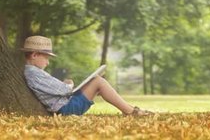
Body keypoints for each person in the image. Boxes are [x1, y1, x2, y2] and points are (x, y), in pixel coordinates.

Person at [21, 35, 152, 116]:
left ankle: (130, 110)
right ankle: (130, 112)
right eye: (46, 58)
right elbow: (64, 90)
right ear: (34, 55)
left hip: (66, 104)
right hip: (67, 108)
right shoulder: (33, 73)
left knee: (97, 81)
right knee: (98, 81)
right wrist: (69, 84)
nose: (48, 62)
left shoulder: (34, 72)